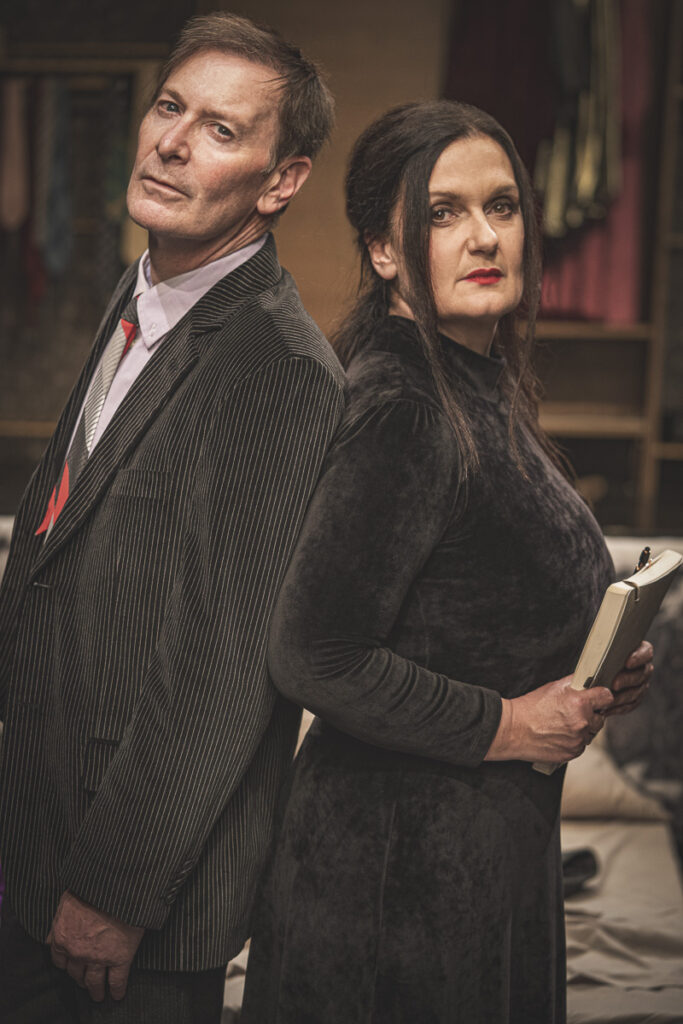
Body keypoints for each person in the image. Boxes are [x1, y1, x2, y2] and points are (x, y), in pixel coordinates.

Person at [241, 100, 653, 1024]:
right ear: (383, 250)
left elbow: (465, 609)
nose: (484, 236)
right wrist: (510, 723)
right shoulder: (403, 407)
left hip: (472, 860)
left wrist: (592, 665)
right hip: (392, 883)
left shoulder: (473, 381)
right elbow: (313, 654)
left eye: (501, 206)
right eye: (442, 212)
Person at [0, 12, 344, 1023]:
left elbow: (220, 671)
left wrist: (112, 892)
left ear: (280, 181)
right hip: (37, 835)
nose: (173, 142)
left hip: (129, 895)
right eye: (169, 107)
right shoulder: (144, 286)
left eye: (221, 130)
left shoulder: (278, 368)